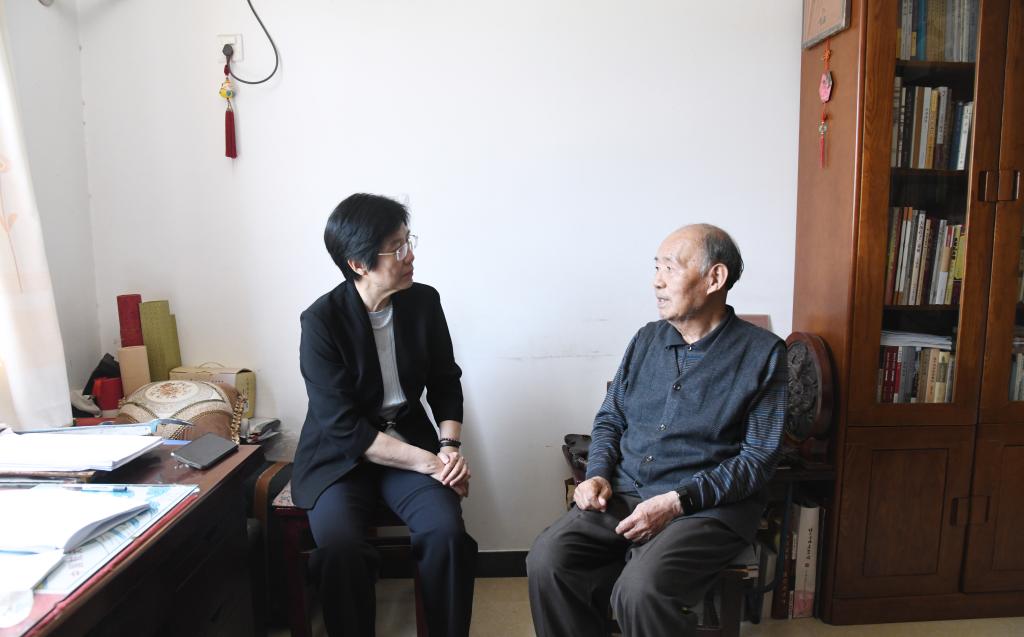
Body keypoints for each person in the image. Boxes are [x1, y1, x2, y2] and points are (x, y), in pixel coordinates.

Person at [527, 223, 787, 637]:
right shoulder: (647, 339)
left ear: (715, 278)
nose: (657, 281)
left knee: (640, 591)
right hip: (625, 492)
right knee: (548, 559)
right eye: (656, 267)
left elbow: (758, 459)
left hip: (706, 508)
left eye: (671, 267)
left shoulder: (763, 353)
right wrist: (597, 473)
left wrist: (678, 501)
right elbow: (610, 418)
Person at [291, 193, 477, 637]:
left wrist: (449, 449)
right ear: (358, 263)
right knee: (340, 549)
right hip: (340, 458)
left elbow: (445, 382)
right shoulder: (321, 321)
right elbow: (343, 427)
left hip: (409, 446)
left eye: (408, 241)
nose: (410, 255)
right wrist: (432, 463)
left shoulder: (423, 302)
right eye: (397, 248)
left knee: (447, 535)